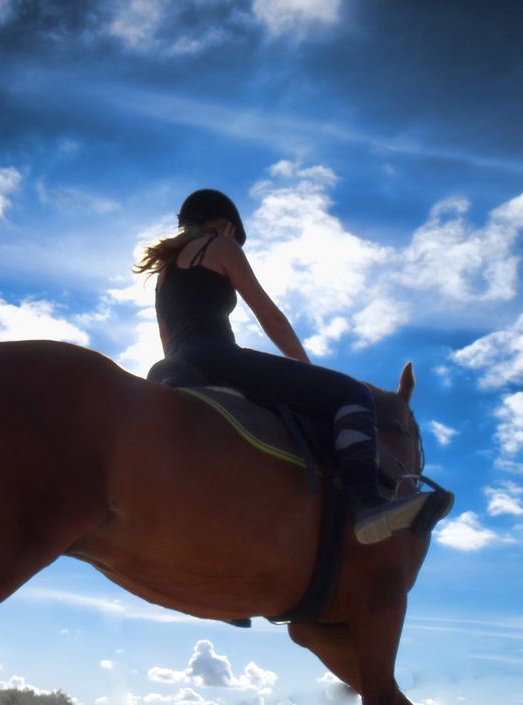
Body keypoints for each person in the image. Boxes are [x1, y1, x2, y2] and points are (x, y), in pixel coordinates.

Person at [135, 188, 449, 545]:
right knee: (352, 393)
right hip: (217, 356)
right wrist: (306, 367)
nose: (233, 239)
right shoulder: (219, 247)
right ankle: (367, 504)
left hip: (173, 366)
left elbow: (165, 338)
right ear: (220, 225)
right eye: (233, 233)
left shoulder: (164, 275)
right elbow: (268, 314)